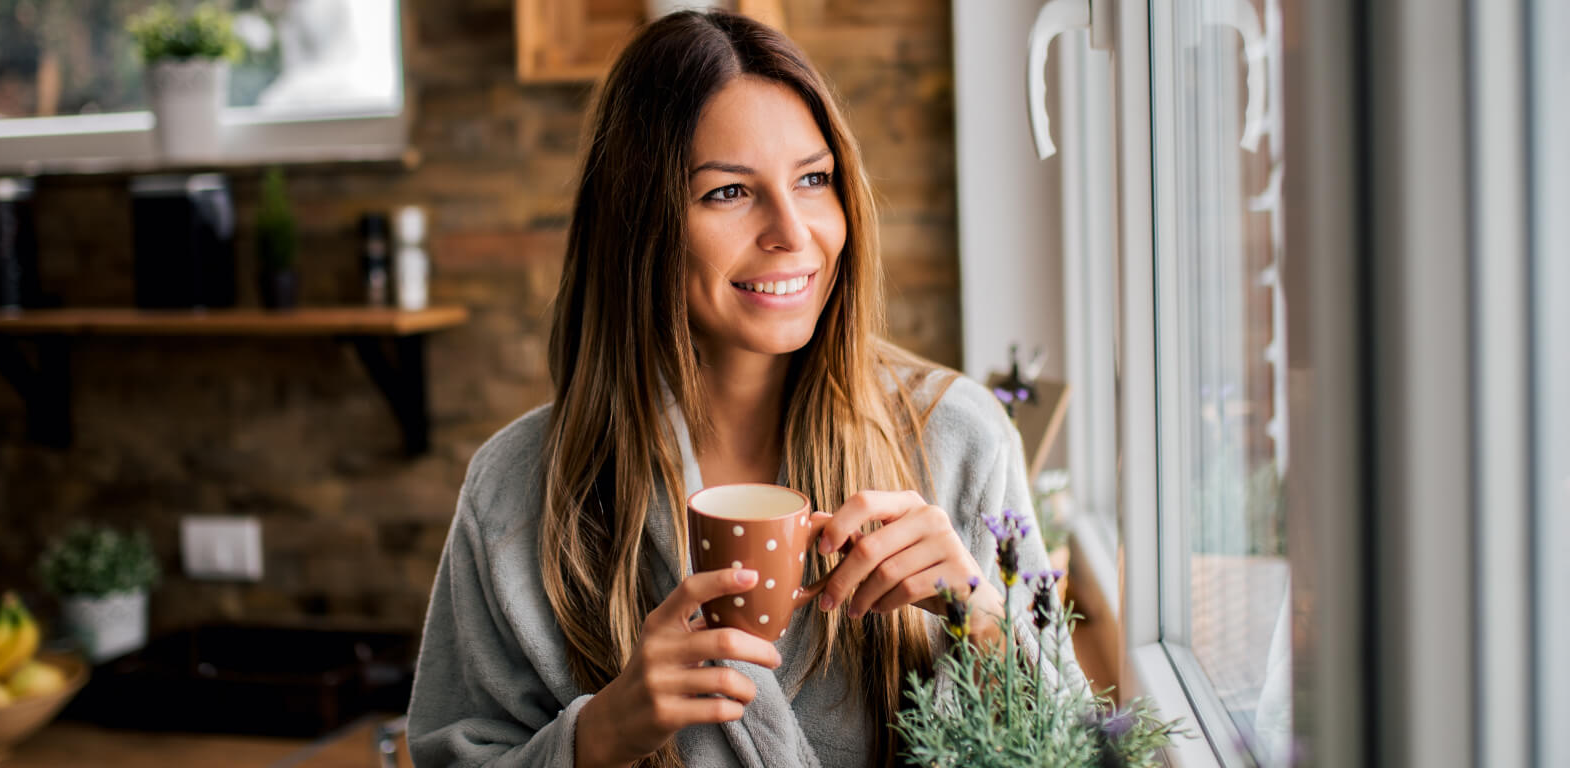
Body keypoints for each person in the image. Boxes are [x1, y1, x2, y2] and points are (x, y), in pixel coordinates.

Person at [407, 11, 1073, 768]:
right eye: (728, 193)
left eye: (814, 179)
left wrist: (983, 623)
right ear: (640, 222)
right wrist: (597, 739)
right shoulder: (516, 490)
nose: (792, 230)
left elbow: (1078, 749)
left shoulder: (957, 438)